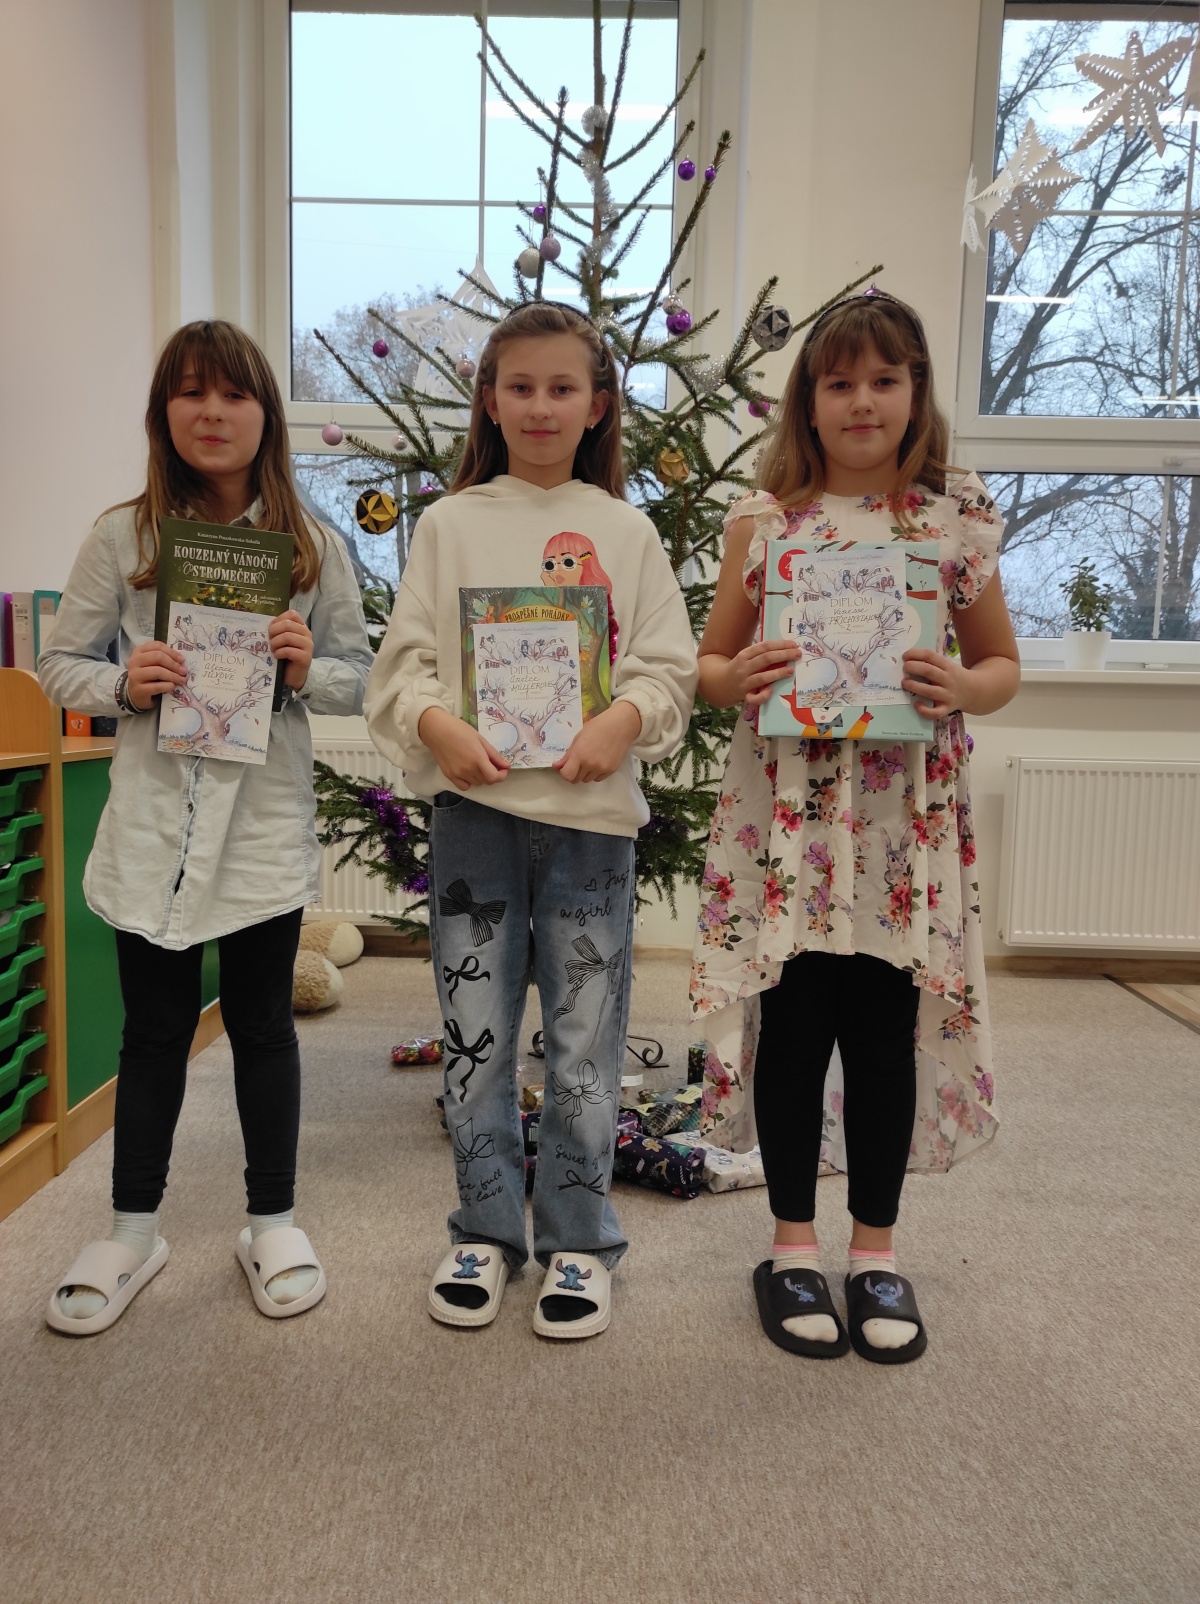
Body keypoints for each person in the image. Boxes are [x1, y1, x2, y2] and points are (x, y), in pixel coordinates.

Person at [690, 287, 1019, 1363]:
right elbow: (707, 668)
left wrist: (960, 687)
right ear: (810, 399)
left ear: (917, 391)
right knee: (794, 1033)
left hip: (897, 829)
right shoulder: (764, 521)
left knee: (883, 1038)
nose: (863, 401)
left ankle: (875, 1249)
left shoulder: (949, 519)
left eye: (885, 379)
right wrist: (738, 672)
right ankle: (792, 1247)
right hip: (789, 824)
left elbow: (1001, 666)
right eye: (840, 382)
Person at [365, 302, 696, 1340]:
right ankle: (484, 1229)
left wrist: (622, 719)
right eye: (520, 386)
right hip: (475, 817)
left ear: (597, 405)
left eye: (562, 387)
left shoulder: (628, 532)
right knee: (475, 1043)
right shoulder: (450, 525)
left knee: (586, 1044)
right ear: (491, 401)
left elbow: (669, 669)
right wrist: (437, 727)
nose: (541, 405)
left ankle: (579, 1240)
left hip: (591, 826)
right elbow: (402, 667)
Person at [39, 319, 373, 1335]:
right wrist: (122, 682)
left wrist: (307, 666)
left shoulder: (312, 546)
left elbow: (363, 675)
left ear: (266, 414)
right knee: (153, 1031)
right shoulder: (122, 538)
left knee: (263, 1025)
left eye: (233, 394)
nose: (212, 412)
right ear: (163, 413)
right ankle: (131, 1230)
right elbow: (59, 664)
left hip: (258, 825)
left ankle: (271, 1220)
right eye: (190, 392)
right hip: (154, 825)